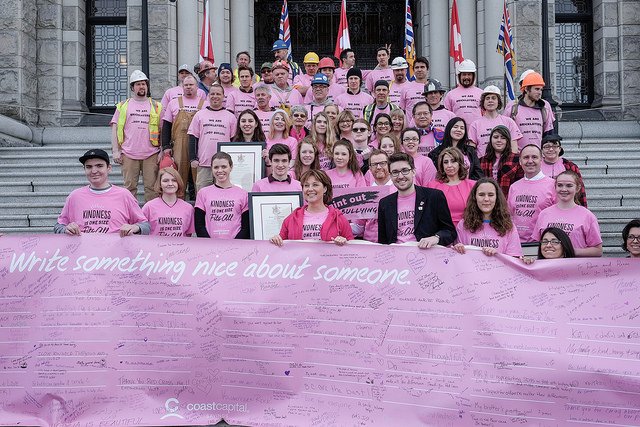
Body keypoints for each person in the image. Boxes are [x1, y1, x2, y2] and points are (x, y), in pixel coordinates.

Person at [55, 149, 150, 236]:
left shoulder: (124, 195)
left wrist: (134, 227)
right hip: (83, 252)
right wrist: (65, 229)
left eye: (99, 166)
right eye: (89, 167)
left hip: (116, 252)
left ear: (109, 168)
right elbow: (58, 226)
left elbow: (145, 226)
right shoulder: (74, 196)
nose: (94, 171)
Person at [378, 152, 456, 247]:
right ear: (390, 176)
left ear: (414, 172)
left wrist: (436, 238)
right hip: (396, 258)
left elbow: (450, 232)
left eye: (405, 170)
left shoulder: (434, 196)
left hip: (427, 256)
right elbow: (383, 242)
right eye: (395, 172)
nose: (400, 176)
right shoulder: (384, 203)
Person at [110, 70, 162, 202]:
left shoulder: (157, 106)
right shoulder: (122, 106)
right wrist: (116, 151)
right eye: (138, 84)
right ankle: (130, 217)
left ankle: (150, 218)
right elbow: (115, 129)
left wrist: (162, 151)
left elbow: (163, 130)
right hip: (129, 154)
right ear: (132, 88)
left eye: (143, 84)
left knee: (152, 189)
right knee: (129, 189)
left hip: (151, 154)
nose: (141, 86)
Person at [270, 169, 353, 245]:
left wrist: (344, 242)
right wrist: (275, 240)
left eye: (315, 185)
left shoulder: (339, 218)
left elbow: (353, 249)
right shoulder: (291, 218)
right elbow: (281, 246)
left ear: (325, 189)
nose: (310, 189)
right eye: (306, 185)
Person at [532, 171, 602, 257]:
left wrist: (568, 251)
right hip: (549, 267)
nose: (564, 189)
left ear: (578, 188)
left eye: (569, 185)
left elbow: (598, 251)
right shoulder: (544, 214)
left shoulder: (587, 216)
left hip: (574, 267)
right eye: (560, 185)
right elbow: (538, 245)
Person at [452, 178, 522, 257]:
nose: (486, 199)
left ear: (497, 198)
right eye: (481, 195)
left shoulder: (509, 227)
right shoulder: (463, 225)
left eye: (491, 195)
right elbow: (458, 260)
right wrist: (458, 250)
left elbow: (514, 260)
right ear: (475, 197)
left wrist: (497, 255)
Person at [161, 75, 205, 199]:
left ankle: (198, 205)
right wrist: (166, 146)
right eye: (186, 85)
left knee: (198, 178)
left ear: (197, 87)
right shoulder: (174, 103)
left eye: (191, 85)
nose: (188, 87)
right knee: (178, 177)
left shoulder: (204, 104)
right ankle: (177, 205)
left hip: (198, 145)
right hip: (179, 146)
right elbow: (166, 125)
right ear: (182, 87)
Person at [187, 84, 237, 192]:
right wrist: (193, 158)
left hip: (224, 166)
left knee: (224, 195)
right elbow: (192, 137)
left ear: (223, 97)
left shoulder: (231, 117)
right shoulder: (199, 115)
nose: (215, 96)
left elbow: (234, 141)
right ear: (208, 96)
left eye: (218, 94)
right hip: (204, 164)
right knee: (202, 195)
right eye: (212, 94)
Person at [194, 152, 249, 239]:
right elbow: (199, 226)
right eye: (216, 167)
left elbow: (246, 228)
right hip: (210, 246)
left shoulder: (243, 194)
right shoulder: (202, 193)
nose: (220, 170)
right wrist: (210, 244)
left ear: (231, 167)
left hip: (236, 246)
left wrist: (234, 244)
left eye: (224, 167)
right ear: (211, 169)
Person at [507, 144, 556, 243]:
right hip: (516, 244)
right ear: (520, 161)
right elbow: (509, 216)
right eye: (526, 157)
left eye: (534, 157)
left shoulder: (553, 185)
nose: (530, 161)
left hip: (542, 245)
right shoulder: (514, 187)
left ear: (541, 160)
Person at [504, 71, 555, 150]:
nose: (540, 93)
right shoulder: (512, 106)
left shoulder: (544, 107)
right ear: (526, 89)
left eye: (541, 90)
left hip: (538, 156)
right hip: (517, 157)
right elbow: (504, 132)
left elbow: (549, 133)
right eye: (537, 89)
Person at [354, 149, 397, 242]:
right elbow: (359, 227)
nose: (378, 167)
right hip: (371, 245)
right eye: (374, 164)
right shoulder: (365, 194)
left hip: (395, 243)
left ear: (389, 165)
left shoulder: (399, 189)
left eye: (382, 163)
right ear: (369, 168)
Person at [427, 147, 476, 226]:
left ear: (460, 163)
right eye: (446, 162)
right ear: (441, 165)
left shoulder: (473, 185)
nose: (449, 165)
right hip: (442, 231)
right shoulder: (432, 186)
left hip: (467, 229)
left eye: (453, 161)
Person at [468, 85, 522, 157]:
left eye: (493, 98)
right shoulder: (475, 125)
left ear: (498, 102)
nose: (490, 100)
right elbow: (471, 150)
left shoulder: (509, 122)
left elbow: (514, 149)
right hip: (483, 165)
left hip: (505, 165)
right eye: (487, 98)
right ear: (483, 102)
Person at [142, 167, 195, 237]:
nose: (170, 184)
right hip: (155, 247)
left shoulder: (188, 208)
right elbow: (142, 231)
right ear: (160, 184)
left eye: (174, 180)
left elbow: (188, 234)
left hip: (180, 247)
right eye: (165, 181)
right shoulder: (149, 207)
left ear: (178, 183)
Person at [540, 133, 587, 206]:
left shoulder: (569, 166)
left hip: (565, 204)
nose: (551, 149)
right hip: (542, 204)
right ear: (542, 150)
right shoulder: (536, 166)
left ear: (560, 149)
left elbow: (580, 189)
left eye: (555, 146)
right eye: (547, 147)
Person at [479, 125, 523, 198]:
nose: (499, 140)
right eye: (496, 137)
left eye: (503, 138)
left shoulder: (516, 159)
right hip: (487, 201)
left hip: (508, 200)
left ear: (507, 141)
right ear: (491, 140)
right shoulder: (481, 161)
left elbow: (520, 185)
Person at [443, 59, 484, 125]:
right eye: (464, 74)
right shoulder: (450, 94)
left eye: (469, 74)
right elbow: (446, 115)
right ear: (459, 76)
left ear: (473, 76)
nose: (466, 77)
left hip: (477, 131)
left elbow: (486, 114)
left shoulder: (482, 93)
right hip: (457, 132)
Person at [400, 57, 430, 121]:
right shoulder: (405, 88)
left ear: (427, 69)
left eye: (422, 67)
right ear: (413, 70)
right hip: (411, 129)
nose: (419, 70)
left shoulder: (433, 87)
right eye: (417, 67)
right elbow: (402, 111)